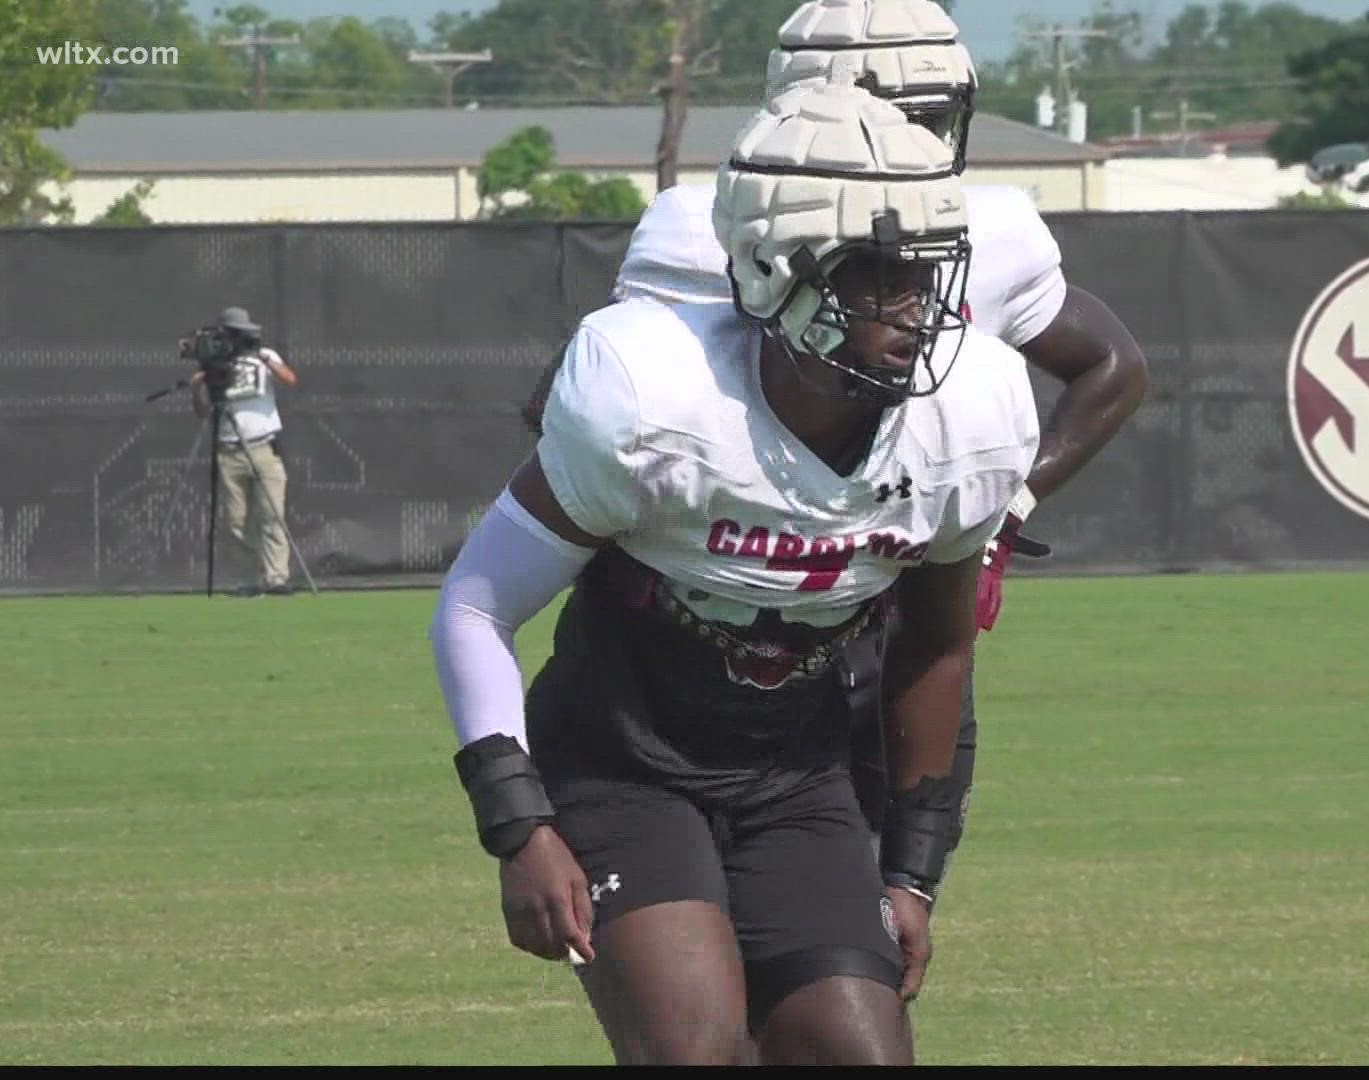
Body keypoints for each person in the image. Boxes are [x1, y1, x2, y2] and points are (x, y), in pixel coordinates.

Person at [431, 80, 1039, 1065]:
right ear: (774, 275)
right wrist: (518, 824)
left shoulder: (969, 420)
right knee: (696, 1049)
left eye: (923, 278)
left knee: (862, 1054)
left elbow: (936, 644)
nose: (913, 310)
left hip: (796, 778)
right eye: (875, 277)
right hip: (622, 764)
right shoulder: (650, 400)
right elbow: (475, 603)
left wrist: (914, 872)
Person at [522, 0, 1150, 919]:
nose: (926, 144)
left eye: (936, 118)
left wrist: (1002, 514)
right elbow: (573, 412)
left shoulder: (994, 233)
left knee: (868, 922)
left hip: (888, 618)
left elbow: (1115, 367)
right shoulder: (709, 225)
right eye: (909, 115)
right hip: (724, 622)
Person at [191, 306, 298, 597]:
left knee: (272, 515)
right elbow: (203, 412)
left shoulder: (266, 356)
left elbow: (290, 380)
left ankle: (276, 578)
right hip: (229, 450)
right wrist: (196, 387)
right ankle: (248, 580)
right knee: (236, 521)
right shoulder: (214, 363)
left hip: (264, 446)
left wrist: (263, 356)